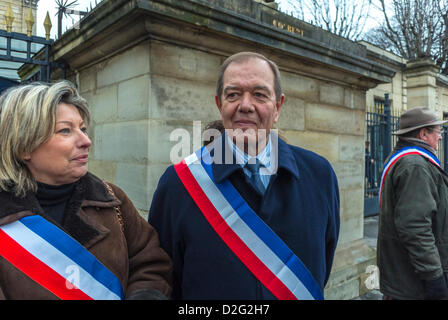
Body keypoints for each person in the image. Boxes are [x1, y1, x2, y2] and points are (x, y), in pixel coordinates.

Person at [148, 52, 340, 300]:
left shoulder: (319, 174)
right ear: (220, 104)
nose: (246, 105)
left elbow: (322, 265)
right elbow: (167, 278)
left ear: (278, 106)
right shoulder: (178, 183)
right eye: (233, 94)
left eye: (259, 94)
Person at [0, 81, 172, 300]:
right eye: (65, 130)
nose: (86, 141)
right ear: (24, 145)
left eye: (82, 129)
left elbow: (150, 264)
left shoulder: (112, 198)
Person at [377, 107, 448, 300]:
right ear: (423, 133)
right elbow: (415, 227)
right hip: (414, 284)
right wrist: (434, 276)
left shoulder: (408, 161)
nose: (440, 137)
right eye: (437, 132)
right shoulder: (415, 166)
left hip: (407, 279)